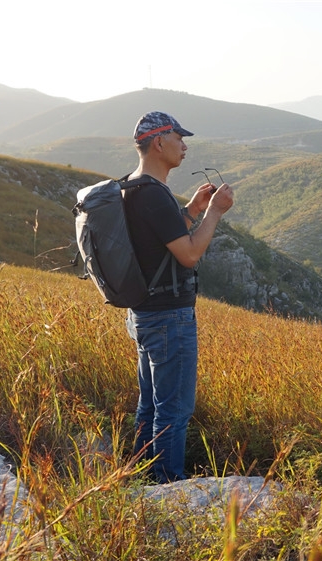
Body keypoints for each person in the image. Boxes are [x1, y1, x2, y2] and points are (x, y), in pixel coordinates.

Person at [123, 111, 234, 482]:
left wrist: (193, 211)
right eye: (178, 139)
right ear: (159, 142)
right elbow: (187, 254)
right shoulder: (153, 195)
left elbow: (159, 242)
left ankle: (141, 479)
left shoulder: (133, 187)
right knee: (174, 411)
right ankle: (167, 490)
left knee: (151, 406)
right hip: (170, 317)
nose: (184, 146)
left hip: (144, 314)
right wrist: (215, 213)